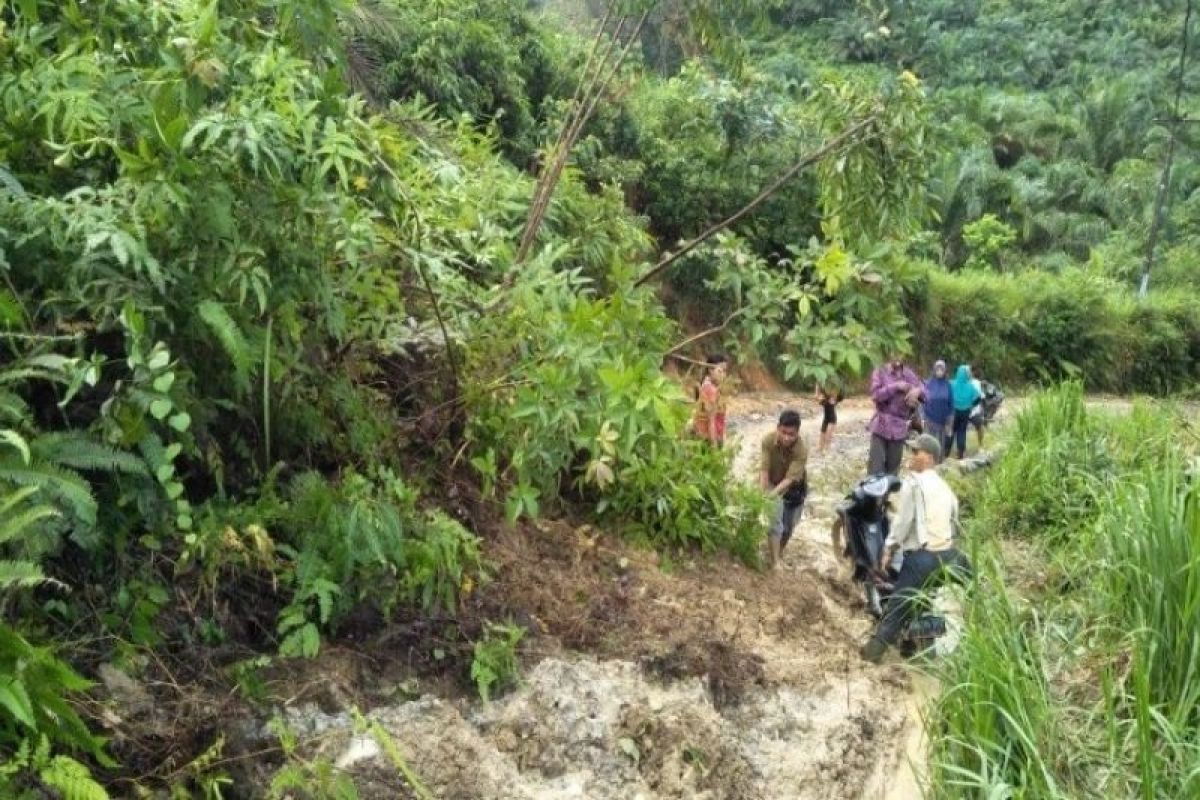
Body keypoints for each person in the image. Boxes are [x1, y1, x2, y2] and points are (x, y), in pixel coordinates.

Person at [860, 434, 971, 663]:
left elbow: (902, 521)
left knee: (896, 609)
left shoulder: (914, 483)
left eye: (916, 452)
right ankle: (915, 648)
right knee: (922, 600)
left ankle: (870, 655)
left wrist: (889, 548)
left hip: (924, 558)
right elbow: (953, 522)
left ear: (929, 458)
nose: (911, 456)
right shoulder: (947, 489)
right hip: (950, 557)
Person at [761, 409, 808, 570]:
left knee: (788, 528)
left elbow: (790, 479)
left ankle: (779, 553)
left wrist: (771, 494)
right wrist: (764, 493)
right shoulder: (768, 441)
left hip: (794, 489)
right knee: (775, 523)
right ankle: (774, 562)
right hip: (773, 483)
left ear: (797, 433)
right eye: (784, 432)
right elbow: (764, 469)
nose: (787, 437)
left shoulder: (801, 450)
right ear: (778, 428)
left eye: (792, 434)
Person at [868, 355, 923, 475]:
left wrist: (917, 391)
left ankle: (888, 494)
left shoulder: (909, 374)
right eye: (894, 352)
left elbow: (925, 392)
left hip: (900, 428)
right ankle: (873, 493)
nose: (897, 356)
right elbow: (875, 395)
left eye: (900, 353)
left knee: (892, 473)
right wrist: (895, 386)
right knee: (875, 470)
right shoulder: (880, 372)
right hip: (881, 426)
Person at [692, 354, 729, 446]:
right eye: (720, 371)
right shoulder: (711, 390)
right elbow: (711, 421)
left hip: (702, 437)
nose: (723, 375)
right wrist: (714, 446)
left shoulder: (705, 386)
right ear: (710, 370)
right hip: (710, 439)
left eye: (725, 371)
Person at [949, 364, 981, 459]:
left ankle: (946, 452)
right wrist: (971, 405)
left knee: (951, 430)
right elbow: (978, 398)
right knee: (962, 431)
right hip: (965, 411)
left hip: (954, 411)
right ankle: (960, 454)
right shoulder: (970, 386)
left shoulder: (952, 384)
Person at [922, 361, 952, 462]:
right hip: (929, 419)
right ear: (934, 370)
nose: (939, 371)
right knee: (929, 443)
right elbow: (923, 400)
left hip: (942, 421)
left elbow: (951, 403)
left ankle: (939, 463)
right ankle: (927, 463)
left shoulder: (948, 385)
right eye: (937, 369)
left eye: (941, 369)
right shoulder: (929, 384)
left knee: (939, 444)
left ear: (945, 371)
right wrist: (923, 417)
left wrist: (950, 421)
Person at [815, 383, 843, 453]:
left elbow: (816, 396)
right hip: (829, 404)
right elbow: (833, 397)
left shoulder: (820, 381)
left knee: (826, 422)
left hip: (827, 403)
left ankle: (821, 447)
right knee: (830, 422)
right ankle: (825, 448)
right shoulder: (830, 381)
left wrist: (821, 398)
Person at [968, 367, 987, 449]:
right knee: (980, 426)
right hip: (973, 411)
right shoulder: (976, 382)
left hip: (963, 410)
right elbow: (981, 397)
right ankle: (981, 444)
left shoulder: (962, 382)